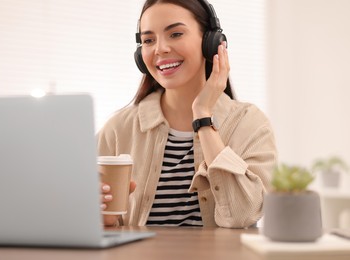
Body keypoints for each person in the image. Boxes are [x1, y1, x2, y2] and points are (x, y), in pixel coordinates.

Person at [97, 0, 277, 228]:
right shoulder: (118, 128)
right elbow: (92, 219)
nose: (160, 48)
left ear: (211, 43)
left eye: (175, 34)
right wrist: (101, 218)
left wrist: (202, 115)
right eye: (148, 40)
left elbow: (243, 214)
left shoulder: (249, 124)